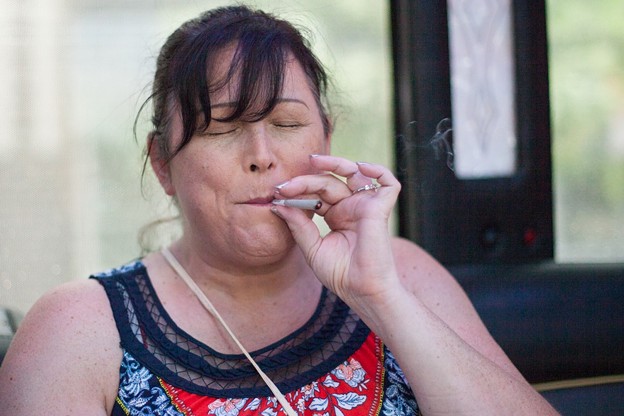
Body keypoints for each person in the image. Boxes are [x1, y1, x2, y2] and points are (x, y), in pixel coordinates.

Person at [0, 5, 558, 415]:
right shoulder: (80, 327)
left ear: (327, 139)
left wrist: (380, 296)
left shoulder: (402, 273)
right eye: (223, 129)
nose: (262, 157)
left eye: (287, 125)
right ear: (163, 163)